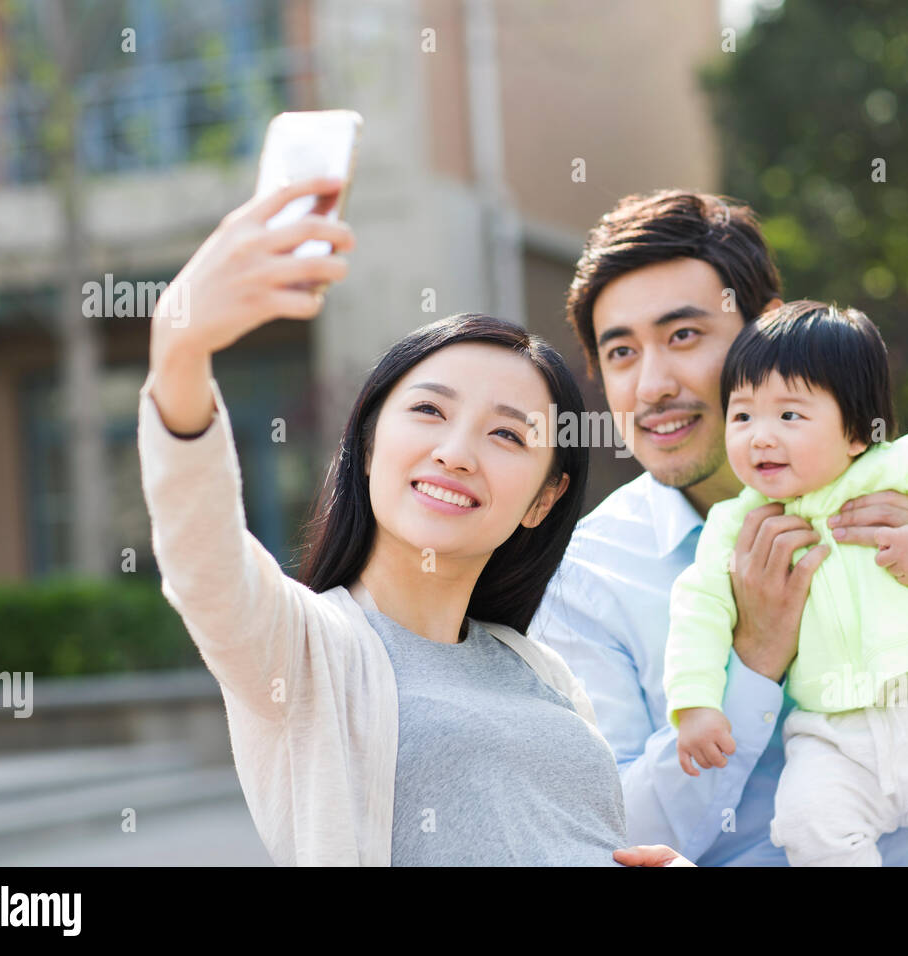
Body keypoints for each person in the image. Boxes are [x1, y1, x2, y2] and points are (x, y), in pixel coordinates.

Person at [528, 189, 908, 866]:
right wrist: (754, 660)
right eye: (620, 353)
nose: (651, 385)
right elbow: (612, 837)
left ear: (766, 329)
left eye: (684, 335)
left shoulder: (906, 494)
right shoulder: (586, 579)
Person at [138, 175, 689, 866]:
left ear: (544, 500)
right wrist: (180, 351)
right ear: (369, 445)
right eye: (429, 411)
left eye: (508, 436)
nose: (455, 453)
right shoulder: (305, 652)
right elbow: (203, 558)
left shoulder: (539, 669)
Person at [665, 300, 908, 865]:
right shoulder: (736, 523)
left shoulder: (900, 468)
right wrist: (696, 703)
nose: (760, 437)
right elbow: (698, 606)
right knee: (808, 828)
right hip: (830, 733)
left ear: (857, 431)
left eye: (789, 416)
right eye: (742, 416)